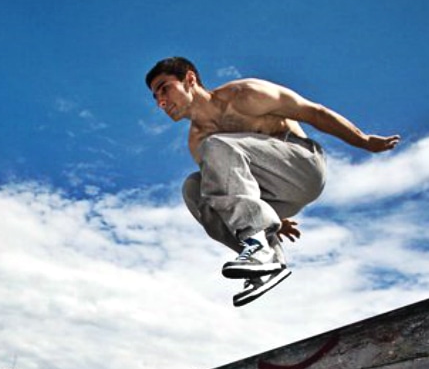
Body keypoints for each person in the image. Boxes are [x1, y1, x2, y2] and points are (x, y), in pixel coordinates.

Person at [145, 57, 400, 306]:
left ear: (190, 79)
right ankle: (267, 260)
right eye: (155, 97)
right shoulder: (196, 141)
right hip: (276, 195)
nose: (161, 101)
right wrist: (275, 220)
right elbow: (227, 189)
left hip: (303, 165)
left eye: (164, 89)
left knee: (217, 145)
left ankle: (258, 244)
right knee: (193, 189)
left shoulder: (245, 95)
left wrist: (363, 141)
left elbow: (314, 113)